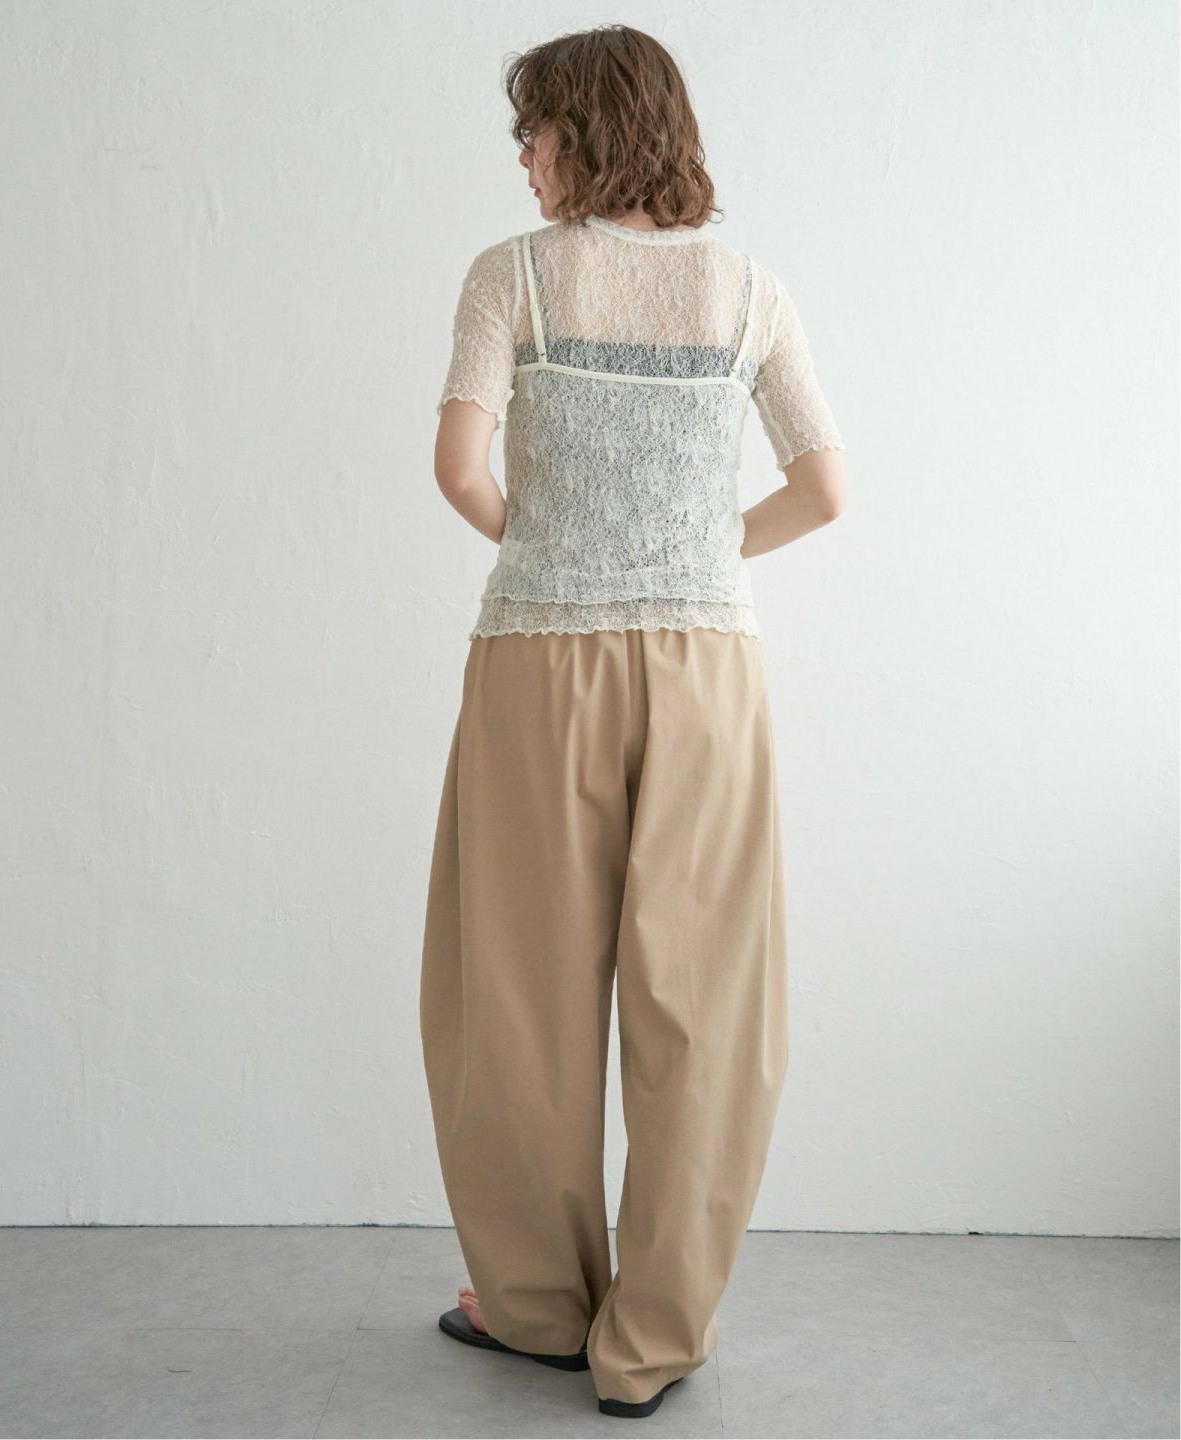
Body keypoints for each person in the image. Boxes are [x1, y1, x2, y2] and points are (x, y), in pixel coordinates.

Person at [420, 23, 847, 1421]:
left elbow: (460, 471)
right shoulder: (752, 292)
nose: (524, 159)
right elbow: (826, 489)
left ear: (591, 131)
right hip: (707, 670)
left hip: (541, 661)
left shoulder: (513, 276)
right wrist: (701, 547)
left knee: (517, 995)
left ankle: (539, 1310)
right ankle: (653, 1339)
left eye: (536, 131)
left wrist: (551, 544)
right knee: (707, 1005)